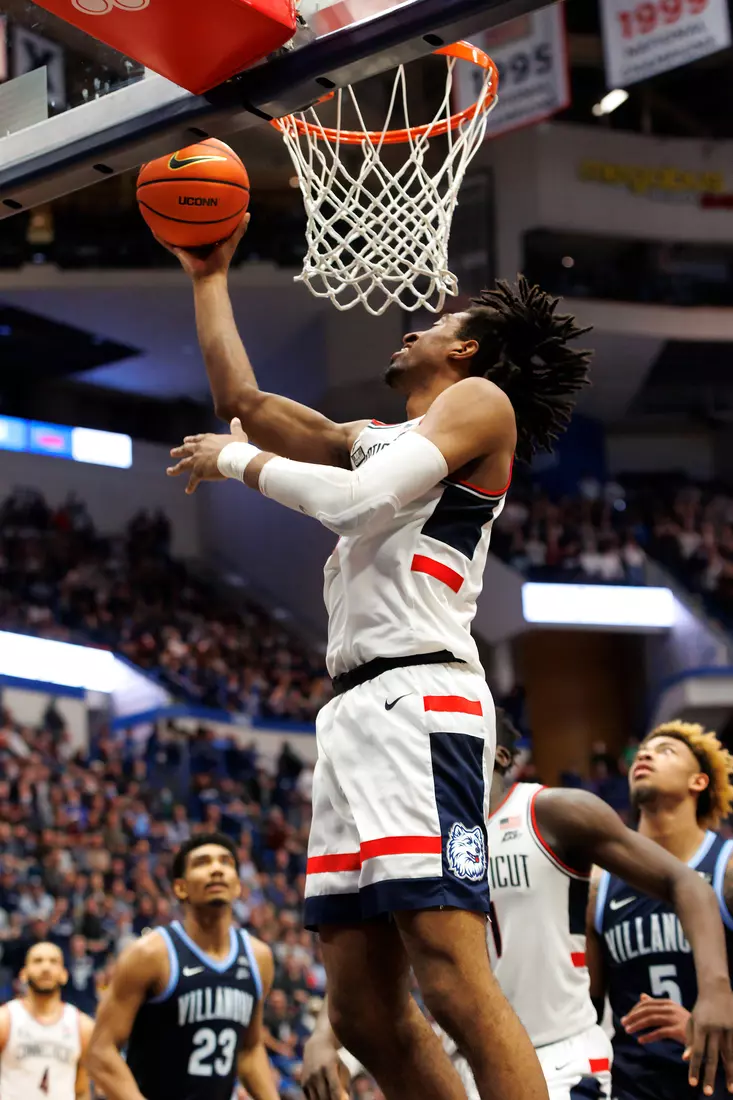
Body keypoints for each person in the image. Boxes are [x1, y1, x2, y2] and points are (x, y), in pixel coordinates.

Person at [164, 218, 595, 1100]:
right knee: (361, 1011)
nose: (411, 329)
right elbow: (244, 400)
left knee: (449, 975)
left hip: (421, 698)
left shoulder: (481, 405)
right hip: (356, 710)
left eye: (432, 324)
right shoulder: (383, 435)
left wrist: (237, 465)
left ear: (466, 347)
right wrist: (208, 273)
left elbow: (356, 505)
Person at [302, 711, 733, 1100]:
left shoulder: (551, 811)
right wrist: (327, 1034)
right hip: (463, 1070)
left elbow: (686, 883)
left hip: (561, 1060)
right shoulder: (416, 845)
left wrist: (714, 990)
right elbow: (375, 953)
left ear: (498, 754)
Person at [589, 721, 733, 1100]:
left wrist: (703, 1026)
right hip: (632, 1087)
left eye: (667, 750)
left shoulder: (727, 868)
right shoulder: (598, 886)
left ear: (698, 782)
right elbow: (584, 1010)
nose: (647, 754)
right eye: (644, 751)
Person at [85, 832, 278, 1100]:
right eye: (202, 863)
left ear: (237, 885)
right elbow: (100, 1052)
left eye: (225, 862)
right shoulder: (149, 954)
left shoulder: (259, 957)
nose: (216, 870)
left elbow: (249, 1048)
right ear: (180, 888)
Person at [0, 940, 94, 1100]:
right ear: (23, 974)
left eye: (53, 961)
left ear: (64, 975)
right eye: (37, 961)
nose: (46, 967)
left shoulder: (82, 1026)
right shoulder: (5, 1019)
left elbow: (81, 1090)